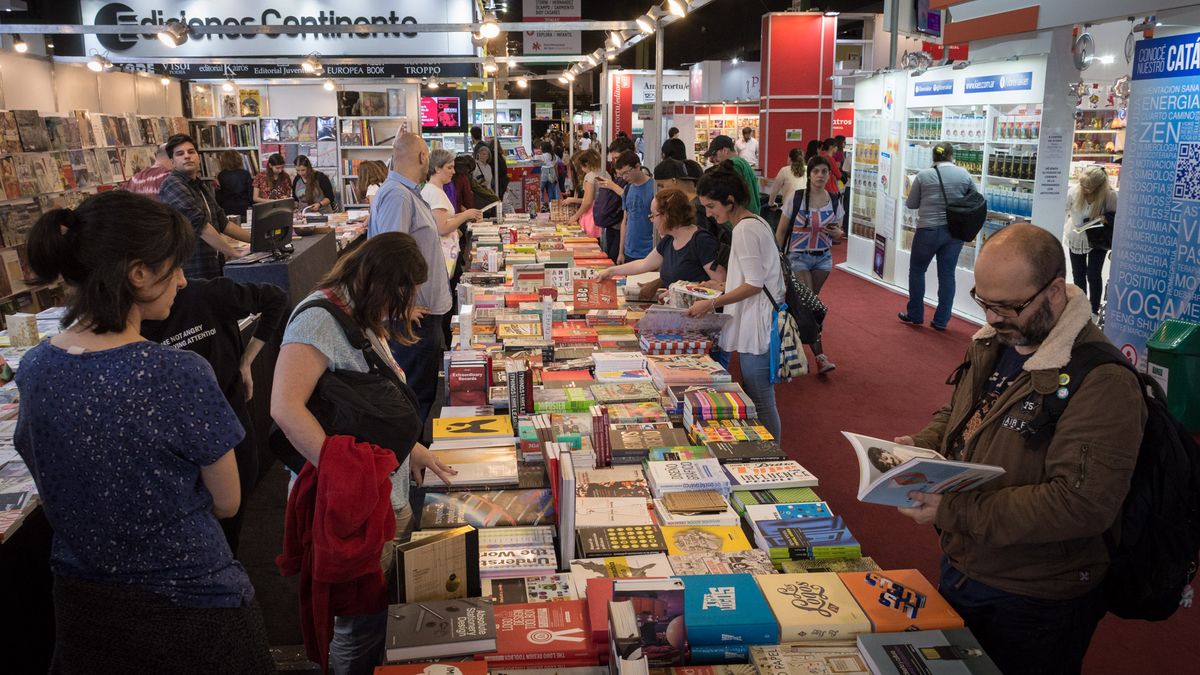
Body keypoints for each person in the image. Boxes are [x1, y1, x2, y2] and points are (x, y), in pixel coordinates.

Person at [16, 191, 273, 671]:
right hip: (190, 602)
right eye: (173, 267)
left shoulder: (34, 368)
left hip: (83, 600)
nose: (182, 279)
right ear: (137, 274)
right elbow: (228, 502)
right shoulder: (176, 372)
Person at [894, 223, 1145, 675]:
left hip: (1038, 594)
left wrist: (952, 510)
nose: (992, 317)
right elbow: (960, 410)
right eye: (984, 302)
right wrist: (924, 445)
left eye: (1008, 306)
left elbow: (1081, 505)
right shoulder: (998, 340)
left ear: (1053, 292)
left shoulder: (1103, 381)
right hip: (968, 562)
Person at [271, 232, 456, 675]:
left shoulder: (356, 314)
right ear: (381, 282)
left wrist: (410, 448)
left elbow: (368, 408)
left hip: (379, 496)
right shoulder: (318, 320)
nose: (407, 303)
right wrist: (345, 473)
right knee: (357, 624)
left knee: (376, 612)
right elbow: (284, 406)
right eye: (405, 292)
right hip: (352, 504)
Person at [141, 276, 288, 556]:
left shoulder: (209, 293)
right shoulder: (132, 325)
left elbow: (275, 299)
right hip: (178, 449)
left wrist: (246, 361)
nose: (181, 280)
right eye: (172, 267)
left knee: (229, 528)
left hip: (233, 430)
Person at [685, 163, 784, 441]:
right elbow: (754, 277)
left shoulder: (744, 230)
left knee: (761, 400)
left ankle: (773, 455)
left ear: (730, 201)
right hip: (759, 322)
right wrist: (719, 286)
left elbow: (754, 284)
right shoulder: (754, 222)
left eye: (711, 205)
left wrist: (711, 303)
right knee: (759, 396)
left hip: (759, 326)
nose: (708, 213)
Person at [368, 133, 451, 426]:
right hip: (413, 318)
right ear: (421, 157)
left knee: (420, 393)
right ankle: (409, 464)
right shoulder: (397, 195)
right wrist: (401, 308)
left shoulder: (406, 192)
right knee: (414, 396)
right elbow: (389, 257)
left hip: (420, 312)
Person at [775, 155, 844, 375]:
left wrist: (837, 234)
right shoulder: (796, 199)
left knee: (805, 306)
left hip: (823, 258)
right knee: (810, 305)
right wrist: (777, 257)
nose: (821, 176)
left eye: (825, 172)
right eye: (816, 172)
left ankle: (788, 347)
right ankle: (820, 357)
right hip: (798, 257)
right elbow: (781, 230)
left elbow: (839, 235)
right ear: (809, 174)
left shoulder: (834, 199)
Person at [899, 143, 979, 330]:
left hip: (928, 230)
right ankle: (941, 320)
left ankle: (916, 315)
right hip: (955, 232)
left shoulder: (924, 175)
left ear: (933, 157)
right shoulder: (964, 174)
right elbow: (975, 199)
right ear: (952, 156)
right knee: (947, 274)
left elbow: (911, 204)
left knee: (918, 271)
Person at [598, 188, 724, 292]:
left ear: (667, 215)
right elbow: (644, 264)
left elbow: (720, 283)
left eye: (653, 215)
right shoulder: (669, 240)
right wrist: (611, 271)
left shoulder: (702, 241)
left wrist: (681, 293)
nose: (651, 220)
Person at [159, 133, 249, 279]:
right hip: (193, 271)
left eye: (191, 152)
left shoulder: (199, 185)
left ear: (198, 157)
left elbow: (223, 222)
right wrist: (235, 253)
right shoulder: (172, 185)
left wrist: (257, 241)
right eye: (180, 154)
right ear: (172, 162)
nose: (187, 156)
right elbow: (200, 226)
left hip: (212, 265)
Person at [1064, 166, 1117, 318]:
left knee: (1093, 274)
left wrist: (1105, 218)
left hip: (1098, 237)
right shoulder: (1074, 191)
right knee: (1078, 274)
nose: (1084, 189)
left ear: (1099, 186)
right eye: (1082, 185)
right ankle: (1080, 307)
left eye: (1089, 187)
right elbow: (1064, 208)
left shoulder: (1109, 195)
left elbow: (1117, 217)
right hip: (1076, 235)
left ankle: (1094, 309)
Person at [422, 148, 483, 253]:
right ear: (437, 169)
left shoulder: (435, 190)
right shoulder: (434, 193)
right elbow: (442, 228)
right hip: (441, 252)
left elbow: (445, 218)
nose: (454, 172)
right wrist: (465, 215)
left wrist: (467, 215)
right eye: (449, 168)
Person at [594, 137, 635, 263]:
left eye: (617, 158)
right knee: (610, 257)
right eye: (614, 158)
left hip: (626, 229)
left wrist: (612, 186)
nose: (615, 162)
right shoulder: (618, 174)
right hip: (614, 224)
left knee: (615, 260)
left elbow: (630, 199)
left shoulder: (636, 177)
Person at [612, 150, 655, 264]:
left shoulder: (654, 188)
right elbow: (625, 222)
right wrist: (621, 252)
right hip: (629, 251)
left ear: (637, 166)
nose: (624, 177)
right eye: (621, 174)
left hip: (649, 251)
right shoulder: (627, 189)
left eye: (627, 172)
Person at [704, 135, 761, 214]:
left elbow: (730, 194)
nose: (714, 160)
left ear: (725, 150)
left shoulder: (733, 165)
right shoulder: (741, 162)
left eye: (715, 155)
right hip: (749, 214)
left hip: (741, 217)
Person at [563, 149, 603, 236]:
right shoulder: (604, 173)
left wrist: (575, 216)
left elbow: (587, 201)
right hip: (602, 214)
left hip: (592, 216)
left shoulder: (590, 176)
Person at [215, 150, 253, 220]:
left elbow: (219, 199)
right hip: (244, 208)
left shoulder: (221, 175)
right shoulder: (245, 174)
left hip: (227, 209)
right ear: (239, 159)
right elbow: (251, 195)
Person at [539, 141, 559, 208]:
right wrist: (556, 175)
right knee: (551, 189)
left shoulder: (542, 156)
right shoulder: (554, 155)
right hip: (552, 171)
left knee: (540, 188)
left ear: (543, 148)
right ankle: (551, 205)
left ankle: (541, 203)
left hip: (544, 172)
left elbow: (539, 163)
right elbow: (556, 166)